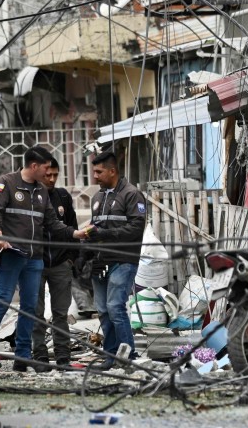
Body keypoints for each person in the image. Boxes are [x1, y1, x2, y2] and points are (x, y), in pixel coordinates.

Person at [0, 146, 81, 373]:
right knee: (2, 301)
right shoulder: (7, 183)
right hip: (11, 254)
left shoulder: (41, 191)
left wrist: (74, 234)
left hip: (34, 258)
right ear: (34, 166)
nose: (49, 174)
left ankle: (23, 357)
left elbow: (52, 223)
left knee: (30, 308)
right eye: (45, 169)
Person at [78, 150, 146, 371]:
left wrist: (105, 234)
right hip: (100, 262)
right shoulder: (97, 198)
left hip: (124, 260)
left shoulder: (132, 194)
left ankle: (128, 356)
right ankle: (110, 357)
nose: (95, 176)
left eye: (98, 172)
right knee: (103, 310)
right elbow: (95, 230)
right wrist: (84, 253)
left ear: (112, 171)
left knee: (115, 307)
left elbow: (136, 229)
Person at [31, 158, 79, 369]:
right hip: (35, 264)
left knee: (61, 314)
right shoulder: (30, 197)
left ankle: (63, 357)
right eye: (47, 175)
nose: (51, 179)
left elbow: (73, 228)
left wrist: (71, 259)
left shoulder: (63, 197)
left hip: (61, 264)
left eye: (55, 175)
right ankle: (40, 356)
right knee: (35, 313)